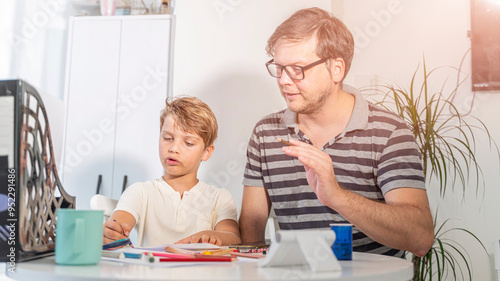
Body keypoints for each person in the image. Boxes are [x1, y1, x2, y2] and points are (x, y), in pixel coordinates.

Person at [238, 7, 434, 258]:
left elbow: (420, 239)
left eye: (297, 69)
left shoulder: (389, 133)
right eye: (279, 68)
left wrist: (336, 196)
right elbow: (251, 234)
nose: (284, 81)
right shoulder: (266, 133)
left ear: (337, 69)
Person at [103, 96, 241, 247]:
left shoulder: (220, 198)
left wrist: (213, 236)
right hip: (150, 270)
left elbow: (233, 238)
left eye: (188, 143)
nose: (173, 148)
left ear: (206, 152)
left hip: (201, 271)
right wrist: (113, 232)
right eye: (168, 138)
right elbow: (119, 223)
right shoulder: (140, 192)